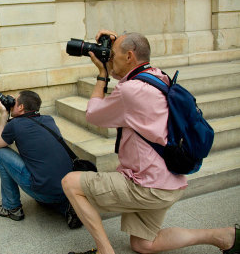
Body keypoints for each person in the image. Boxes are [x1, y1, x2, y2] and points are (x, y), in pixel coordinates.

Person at [61, 30, 239, 254]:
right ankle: (222, 236)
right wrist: (115, 50)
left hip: (147, 186)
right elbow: (129, 64)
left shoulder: (130, 90)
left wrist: (102, 75)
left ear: (129, 57)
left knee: (70, 183)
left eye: (112, 54)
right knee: (143, 244)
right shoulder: (156, 76)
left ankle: (104, 251)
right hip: (169, 181)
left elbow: (93, 114)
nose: (108, 57)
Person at [0, 90, 82, 229]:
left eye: (14, 101)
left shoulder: (15, 125)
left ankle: (12, 208)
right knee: (48, 181)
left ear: (21, 107)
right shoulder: (48, 120)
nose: (11, 103)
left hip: (45, 192)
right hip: (68, 189)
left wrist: (4, 114)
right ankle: (67, 208)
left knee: (2, 154)